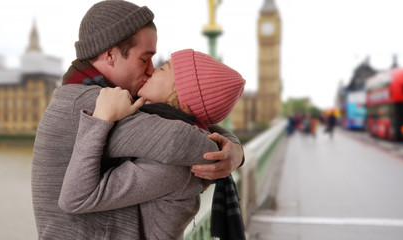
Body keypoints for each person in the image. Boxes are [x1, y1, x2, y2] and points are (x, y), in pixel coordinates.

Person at [31, 1, 244, 239]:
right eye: (145, 59)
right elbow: (178, 139)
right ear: (110, 54)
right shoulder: (93, 104)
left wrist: (233, 147)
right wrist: (230, 153)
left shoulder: (95, 94)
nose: (151, 70)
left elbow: (187, 120)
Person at [59, 49, 246, 239]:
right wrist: (236, 148)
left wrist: (100, 119)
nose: (152, 70)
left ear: (178, 95)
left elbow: (75, 198)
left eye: (163, 69)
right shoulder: (173, 133)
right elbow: (201, 120)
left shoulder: (171, 168)